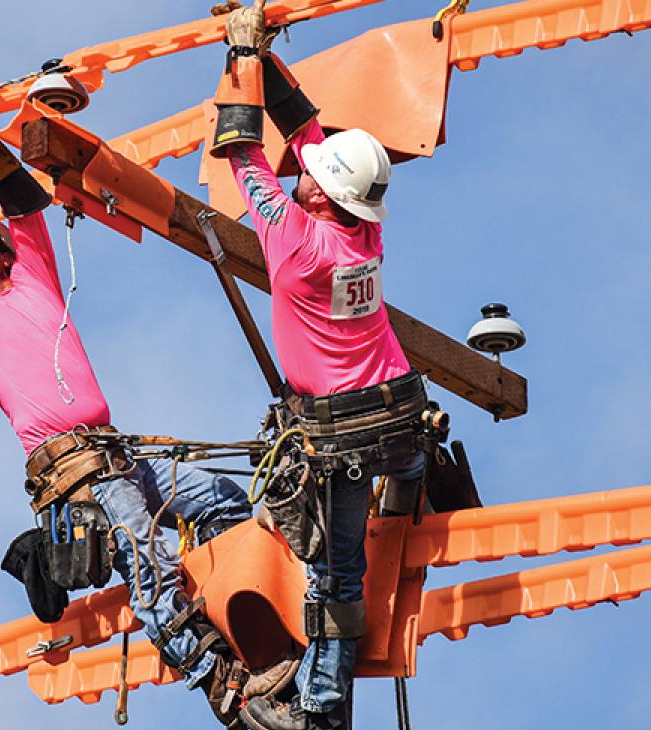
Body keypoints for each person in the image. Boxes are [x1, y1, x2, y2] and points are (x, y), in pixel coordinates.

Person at [0, 114, 252, 725]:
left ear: (8, 251)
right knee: (147, 560)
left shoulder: (36, 281)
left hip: (119, 455)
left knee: (223, 500)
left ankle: (241, 602)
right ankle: (223, 681)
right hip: (77, 474)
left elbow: (23, 202)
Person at [208, 2, 429, 728]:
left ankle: (322, 700)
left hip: (346, 434)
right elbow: (305, 131)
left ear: (318, 192)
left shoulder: (297, 246)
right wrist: (261, 57)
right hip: (399, 411)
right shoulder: (363, 233)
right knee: (403, 476)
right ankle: (409, 491)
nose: (302, 165)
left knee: (337, 575)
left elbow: (241, 154)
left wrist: (238, 63)